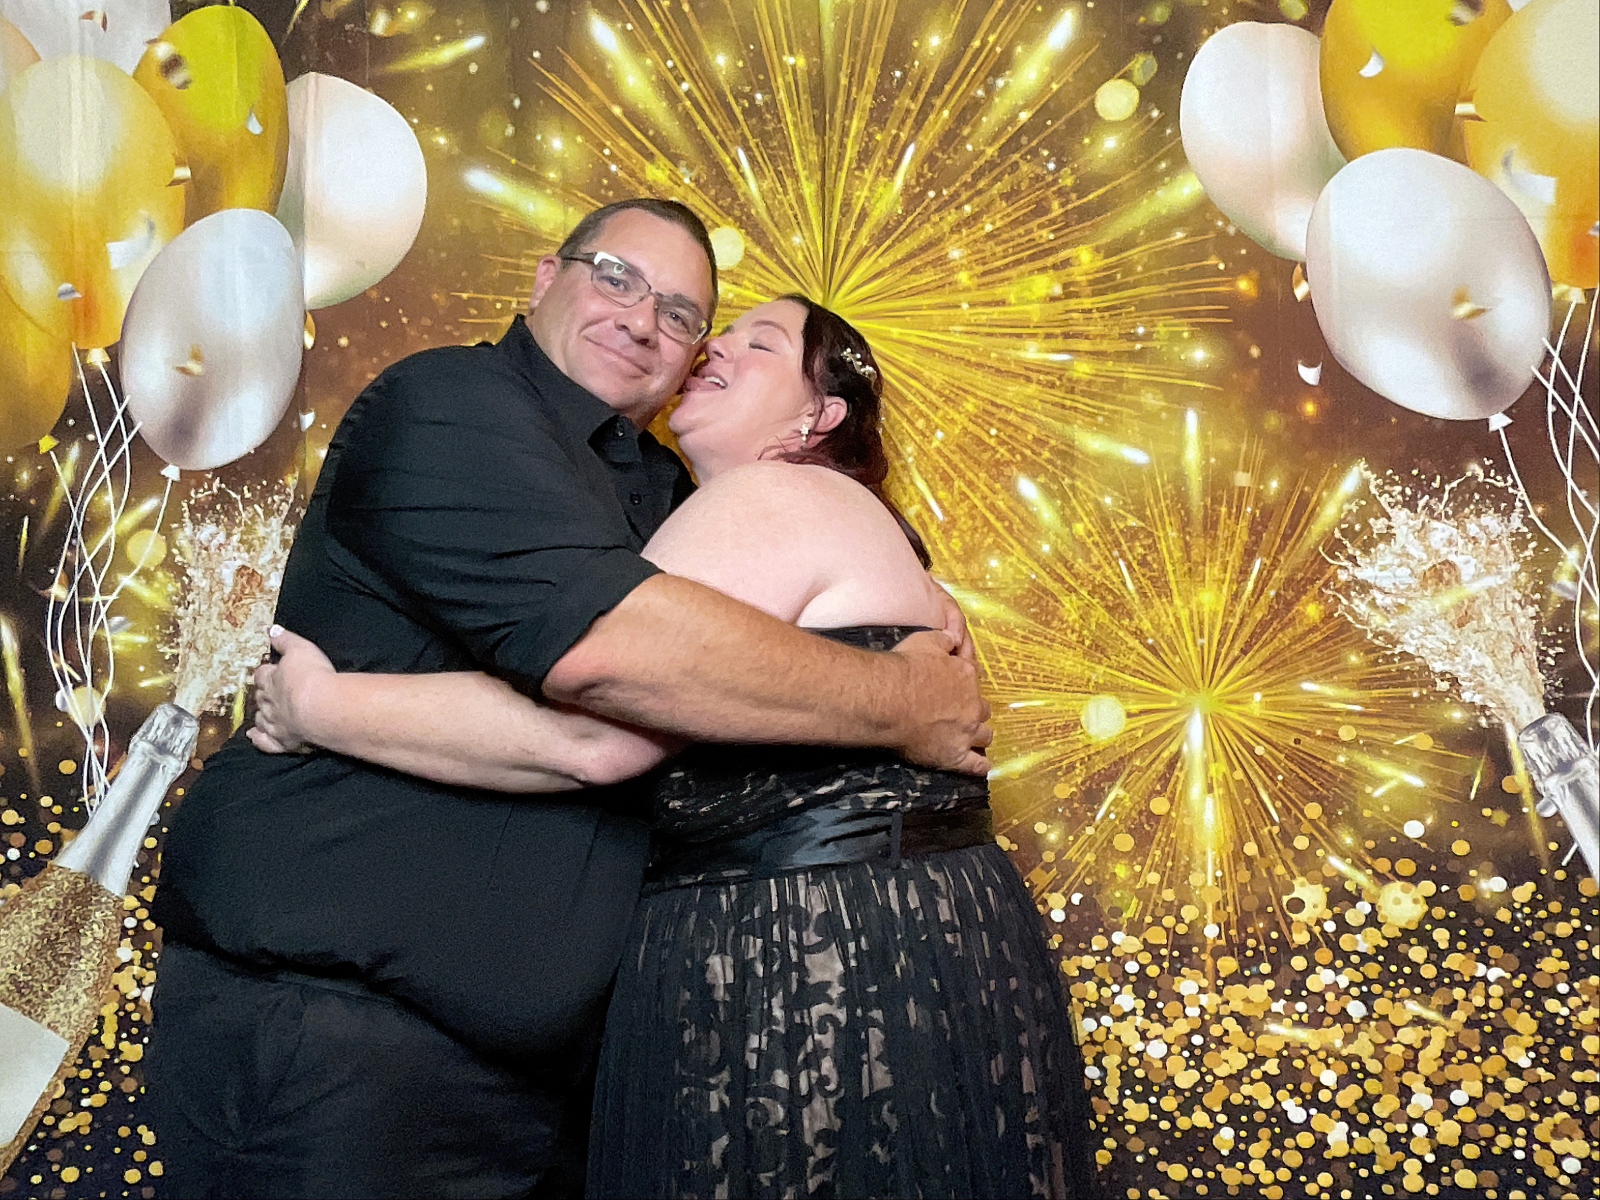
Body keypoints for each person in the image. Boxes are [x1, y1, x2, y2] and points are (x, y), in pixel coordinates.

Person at [145, 199, 991, 1200]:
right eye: (617, 277)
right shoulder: (452, 405)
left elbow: (778, 619)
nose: (642, 321)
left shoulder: (675, 491)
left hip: (561, 1081)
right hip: (344, 1044)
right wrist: (902, 697)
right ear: (547, 278)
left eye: (681, 315)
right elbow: (612, 674)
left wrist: (903, 602)